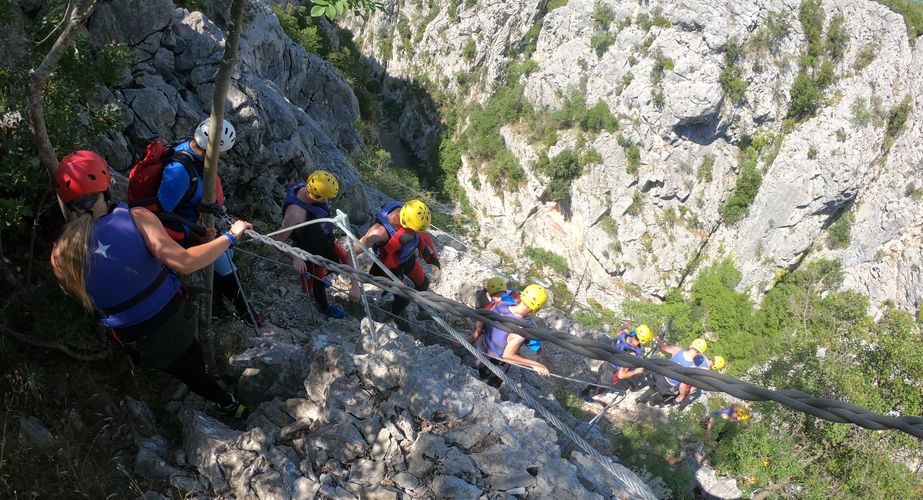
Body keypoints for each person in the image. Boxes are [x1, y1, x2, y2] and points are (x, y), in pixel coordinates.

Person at [51, 151, 251, 418]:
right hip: (175, 314)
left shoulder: (60, 253)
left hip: (136, 336)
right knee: (188, 349)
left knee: (180, 366)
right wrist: (231, 236)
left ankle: (221, 396)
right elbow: (185, 262)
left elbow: (74, 289)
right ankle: (224, 395)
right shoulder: (135, 217)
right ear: (107, 187)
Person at [153, 118, 261, 326]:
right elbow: (161, 216)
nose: (225, 156)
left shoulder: (192, 149)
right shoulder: (179, 173)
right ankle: (246, 312)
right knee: (224, 261)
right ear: (215, 150)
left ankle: (216, 307)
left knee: (225, 254)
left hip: (196, 225)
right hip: (182, 233)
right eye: (223, 152)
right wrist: (192, 233)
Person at [275, 170, 361, 318]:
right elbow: (278, 241)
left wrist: (355, 284)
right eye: (326, 198)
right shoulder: (295, 213)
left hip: (323, 239)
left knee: (337, 261)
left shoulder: (306, 189)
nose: (327, 201)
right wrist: (295, 257)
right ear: (317, 196)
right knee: (315, 281)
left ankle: (318, 283)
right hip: (309, 249)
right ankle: (324, 307)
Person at [353, 199, 440, 328]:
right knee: (404, 298)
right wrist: (354, 285)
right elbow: (351, 251)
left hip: (407, 258)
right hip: (388, 266)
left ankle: (422, 312)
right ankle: (394, 317)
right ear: (405, 223)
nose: (415, 233)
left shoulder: (408, 209)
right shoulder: (378, 232)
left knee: (423, 283)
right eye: (413, 230)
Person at [471, 284, 551, 387]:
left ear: (522, 296)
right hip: (497, 360)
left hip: (482, 346)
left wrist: (475, 337)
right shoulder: (521, 331)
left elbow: (480, 323)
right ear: (537, 308)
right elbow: (508, 356)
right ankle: (493, 382)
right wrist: (535, 365)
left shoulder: (501, 305)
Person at [580, 324, 653, 402]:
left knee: (599, 380)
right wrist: (637, 371)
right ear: (644, 340)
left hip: (607, 362)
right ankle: (588, 396)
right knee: (601, 385)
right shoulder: (632, 354)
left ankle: (585, 392)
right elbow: (621, 375)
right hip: (612, 371)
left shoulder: (623, 335)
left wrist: (626, 326)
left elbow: (618, 330)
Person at [640, 338, 711, 405]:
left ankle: (640, 397)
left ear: (691, 345)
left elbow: (662, 347)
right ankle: (651, 402)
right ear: (699, 353)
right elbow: (683, 385)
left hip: (659, 375)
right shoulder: (692, 367)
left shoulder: (678, 350)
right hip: (668, 385)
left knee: (654, 387)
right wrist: (682, 396)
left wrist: (659, 341)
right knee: (659, 393)